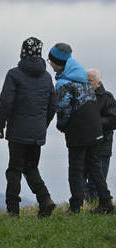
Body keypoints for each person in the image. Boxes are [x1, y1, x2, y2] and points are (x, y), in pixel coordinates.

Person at [48, 43, 115, 214]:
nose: (50, 64)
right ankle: (106, 203)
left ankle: (75, 206)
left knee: (76, 169)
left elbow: (64, 109)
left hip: (78, 130)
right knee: (94, 167)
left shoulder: (63, 82)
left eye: (51, 61)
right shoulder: (83, 77)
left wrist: (61, 126)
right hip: (95, 129)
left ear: (57, 63)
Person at [0, 37, 57, 218]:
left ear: (22, 52)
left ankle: (13, 211)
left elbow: (6, 101)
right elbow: (53, 106)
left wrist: (0, 124)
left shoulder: (14, 74)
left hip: (17, 131)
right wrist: (41, 124)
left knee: (14, 169)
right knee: (31, 167)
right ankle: (45, 200)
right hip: (37, 131)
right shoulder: (46, 77)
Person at [84, 69, 116, 201]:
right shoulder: (82, 97)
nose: (86, 84)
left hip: (102, 147)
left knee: (96, 183)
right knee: (80, 180)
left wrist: (94, 122)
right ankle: (85, 207)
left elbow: (113, 120)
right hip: (85, 145)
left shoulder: (107, 98)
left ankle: (100, 207)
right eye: (84, 81)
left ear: (99, 83)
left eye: (89, 81)